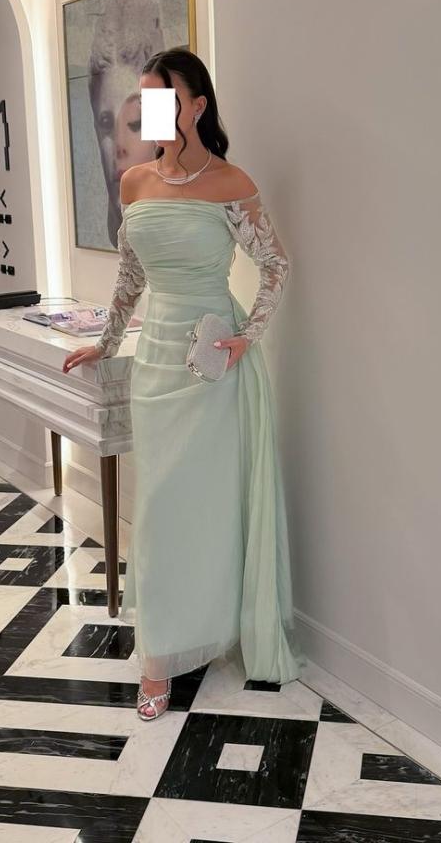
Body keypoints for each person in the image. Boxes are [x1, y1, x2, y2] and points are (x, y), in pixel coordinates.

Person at [62, 47, 305, 720]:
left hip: (211, 364)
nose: (149, 113)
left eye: (162, 101)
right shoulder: (135, 184)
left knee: (206, 507)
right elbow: (130, 277)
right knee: (161, 508)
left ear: (196, 106)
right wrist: (105, 343)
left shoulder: (230, 182)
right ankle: (160, 653)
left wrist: (248, 336)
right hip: (156, 365)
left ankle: (196, 635)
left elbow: (277, 264)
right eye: (143, 101)